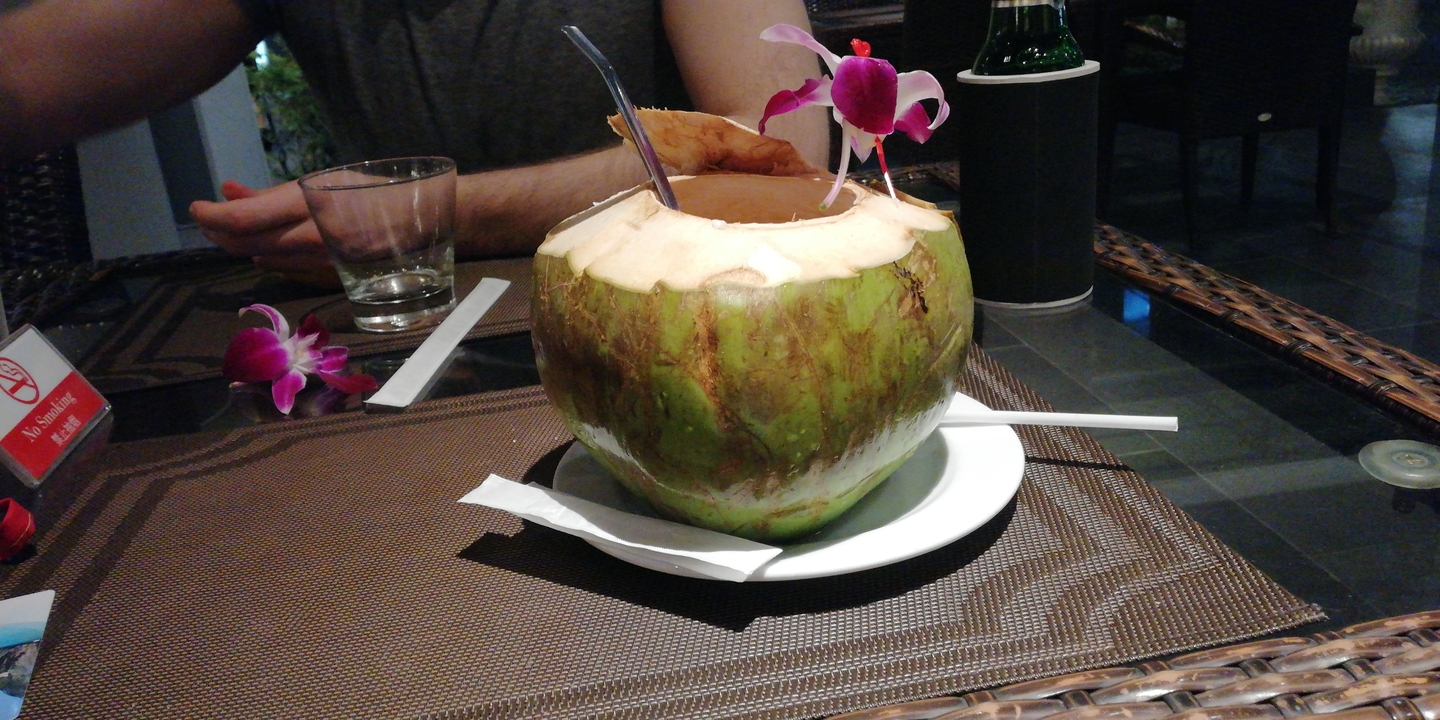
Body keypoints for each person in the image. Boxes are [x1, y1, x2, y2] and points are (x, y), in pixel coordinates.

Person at [0, 0, 829, 284]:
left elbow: (780, 150)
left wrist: (435, 212)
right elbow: (27, 76)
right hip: (406, 371)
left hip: (695, 310)